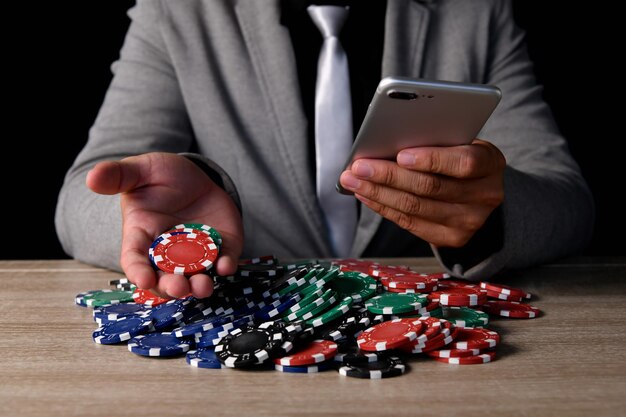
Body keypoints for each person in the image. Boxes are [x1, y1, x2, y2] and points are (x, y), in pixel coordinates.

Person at [55, 0, 594, 299]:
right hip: (247, 324)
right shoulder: (176, 11)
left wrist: (491, 215)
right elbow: (82, 196)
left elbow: (568, 201)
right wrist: (156, 212)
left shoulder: (476, 14)